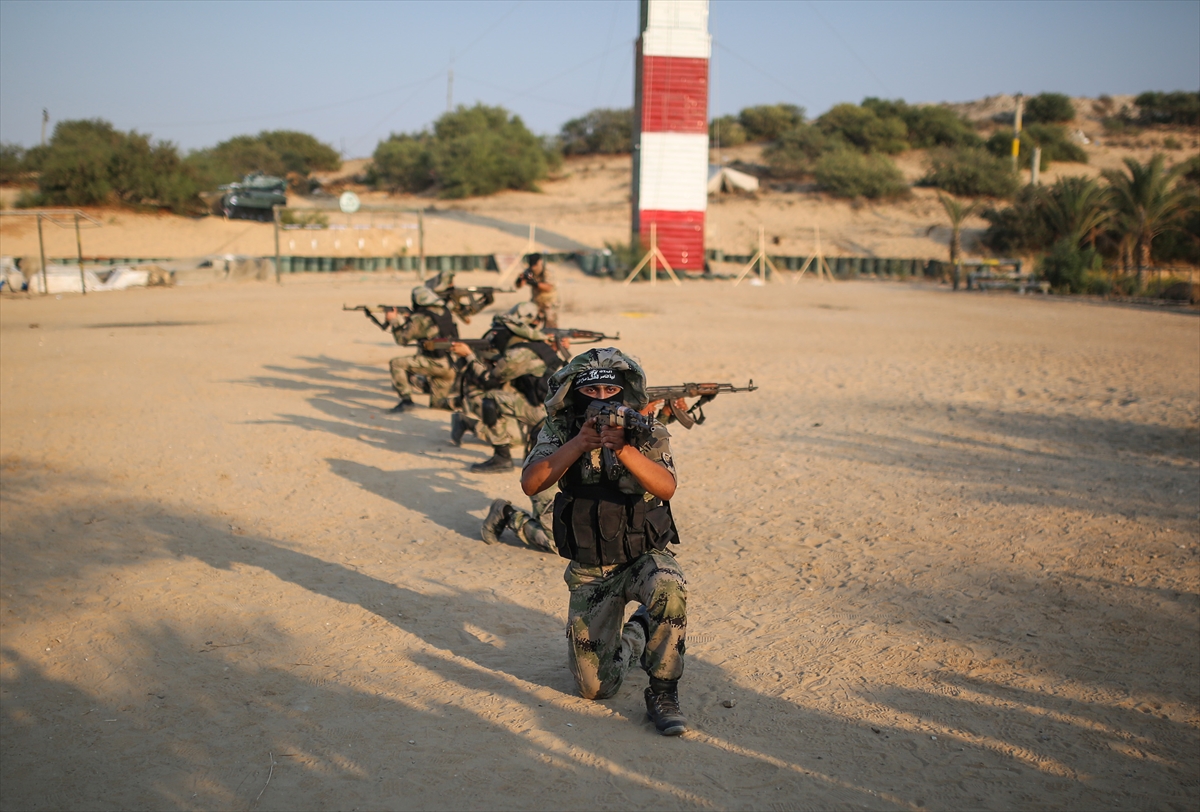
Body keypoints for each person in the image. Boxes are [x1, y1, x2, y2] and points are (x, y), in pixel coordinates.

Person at [520, 348, 689, 736]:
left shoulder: (646, 429)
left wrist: (624, 448)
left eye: (609, 390)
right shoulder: (560, 432)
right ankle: (637, 631)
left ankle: (663, 690)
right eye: (591, 391)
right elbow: (532, 482)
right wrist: (579, 444)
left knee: (669, 585)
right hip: (590, 570)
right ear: (576, 396)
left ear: (623, 393)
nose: (600, 398)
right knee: (595, 689)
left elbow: (667, 487)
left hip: (641, 557)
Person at [449, 302, 563, 473]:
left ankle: (501, 458)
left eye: (496, 333)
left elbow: (488, 380)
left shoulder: (518, 354)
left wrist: (469, 356)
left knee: (492, 399)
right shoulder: (536, 346)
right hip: (551, 408)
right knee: (516, 439)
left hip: (546, 414)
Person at [386, 285, 460, 412]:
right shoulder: (445, 312)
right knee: (438, 406)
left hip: (434, 363)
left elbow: (402, 340)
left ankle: (406, 401)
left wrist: (394, 321)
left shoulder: (420, 318)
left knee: (397, 364)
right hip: (450, 366)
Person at [515, 252, 558, 329]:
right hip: (536, 301)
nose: (534, 268)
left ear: (540, 262)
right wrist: (520, 280)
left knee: (551, 326)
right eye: (532, 265)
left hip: (549, 301)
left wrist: (534, 283)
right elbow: (518, 286)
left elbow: (548, 287)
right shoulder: (529, 271)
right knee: (531, 323)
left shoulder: (547, 270)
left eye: (535, 265)